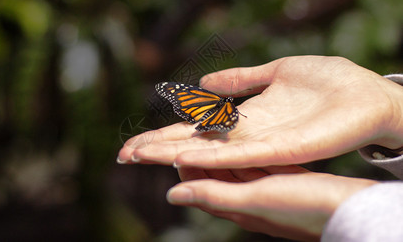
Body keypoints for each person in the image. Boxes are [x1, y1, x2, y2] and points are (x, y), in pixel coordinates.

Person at [117, 56, 403, 241]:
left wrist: (356, 214)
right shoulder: (227, 110)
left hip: (210, 117)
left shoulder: (223, 109)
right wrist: (393, 106)